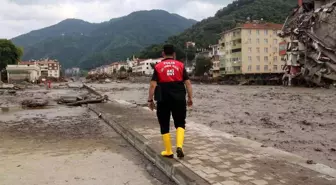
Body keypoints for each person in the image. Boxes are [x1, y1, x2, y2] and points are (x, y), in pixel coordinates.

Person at [147, 44, 193, 158]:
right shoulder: (180, 66)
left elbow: (153, 85)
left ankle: (168, 151)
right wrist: (190, 98)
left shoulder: (158, 67)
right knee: (180, 122)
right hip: (179, 98)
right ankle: (179, 146)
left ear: (163, 54)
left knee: (164, 123)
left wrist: (150, 100)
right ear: (174, 54)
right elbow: (188, 83)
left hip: (163, 98)